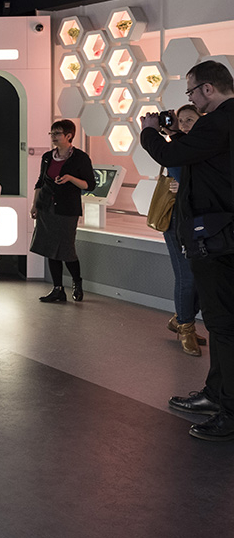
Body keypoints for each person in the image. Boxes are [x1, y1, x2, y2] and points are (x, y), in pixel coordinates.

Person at [140, 60, 234, 441]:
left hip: (216, 239)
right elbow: (197, 156)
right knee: (221, 322)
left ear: (208, 88)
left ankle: (228, 410)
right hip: (224, 235)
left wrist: (149, 132)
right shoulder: (220, 126)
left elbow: (168, 157)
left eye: (192, 91)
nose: (191, 99)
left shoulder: (217, 123)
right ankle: (215, 393)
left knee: (222, 325)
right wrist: (176, 136)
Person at [29, 119, 95, 303]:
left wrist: (70, 178)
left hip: (67, 209)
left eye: (57, 133)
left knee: (66, 249)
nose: (53, 137)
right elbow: (40, 182)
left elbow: (89, 185)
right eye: (52, 133)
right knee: (50, 249)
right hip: (46, 207)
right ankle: (57, 289)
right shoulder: (47, 157)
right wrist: (35, 205)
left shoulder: (80, 158)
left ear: (69, 136)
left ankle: (77, 282)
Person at [159, 105, 207, 356]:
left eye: (191, 120)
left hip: (199, 220)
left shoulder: (205, 147)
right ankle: (186, 328)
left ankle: (181, 319)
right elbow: (179, 173)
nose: (186, 124)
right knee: (186, 275)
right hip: (176, 219)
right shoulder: (177, 148)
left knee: (200, 276)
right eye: (182, 120)